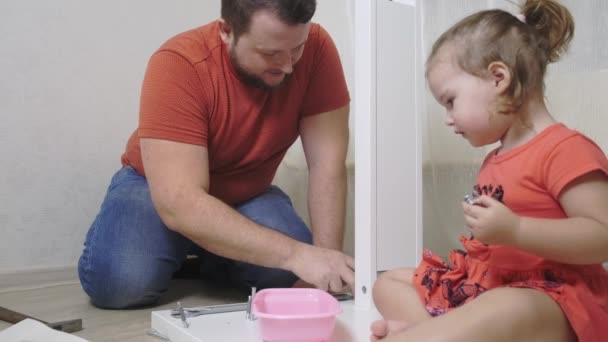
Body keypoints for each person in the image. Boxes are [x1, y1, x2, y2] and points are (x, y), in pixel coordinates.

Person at [78, 0, 355, 309]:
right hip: (159, 189)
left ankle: (210, 253)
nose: (289, 65)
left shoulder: (318, 49)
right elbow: (179, 202)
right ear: (227, 31)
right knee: (121, 285)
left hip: (247, 192)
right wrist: (296, 254)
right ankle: (201, 246)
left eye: (296, 49)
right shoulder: (179, 63)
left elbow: (326, 166)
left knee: (284, 279)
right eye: (270, 53)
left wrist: (326, 268)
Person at [371, 0, 608, 341]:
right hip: (493, 283)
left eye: (450, 100)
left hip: (555, 297)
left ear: (498, 78)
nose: (448, 118)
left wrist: (517, 230)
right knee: (388, 282)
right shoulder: (494, 158)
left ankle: (423, 335)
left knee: (503, 307)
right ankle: (435, 333)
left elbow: (602, 236)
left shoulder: (565, 149)